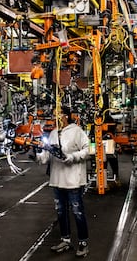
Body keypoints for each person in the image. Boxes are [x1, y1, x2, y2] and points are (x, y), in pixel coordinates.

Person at [36, 106, 90, 258]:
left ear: (65, 116)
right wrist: (37, 153)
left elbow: (88, 150)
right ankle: (65, 239)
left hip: (73, 180)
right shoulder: (53, 133)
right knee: (61, 212)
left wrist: (71, 157)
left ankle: (83, 243)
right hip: (57, 180)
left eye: (57, 115)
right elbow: (46, 157)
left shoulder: (77, 131)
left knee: (77, 212)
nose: (54, 118)